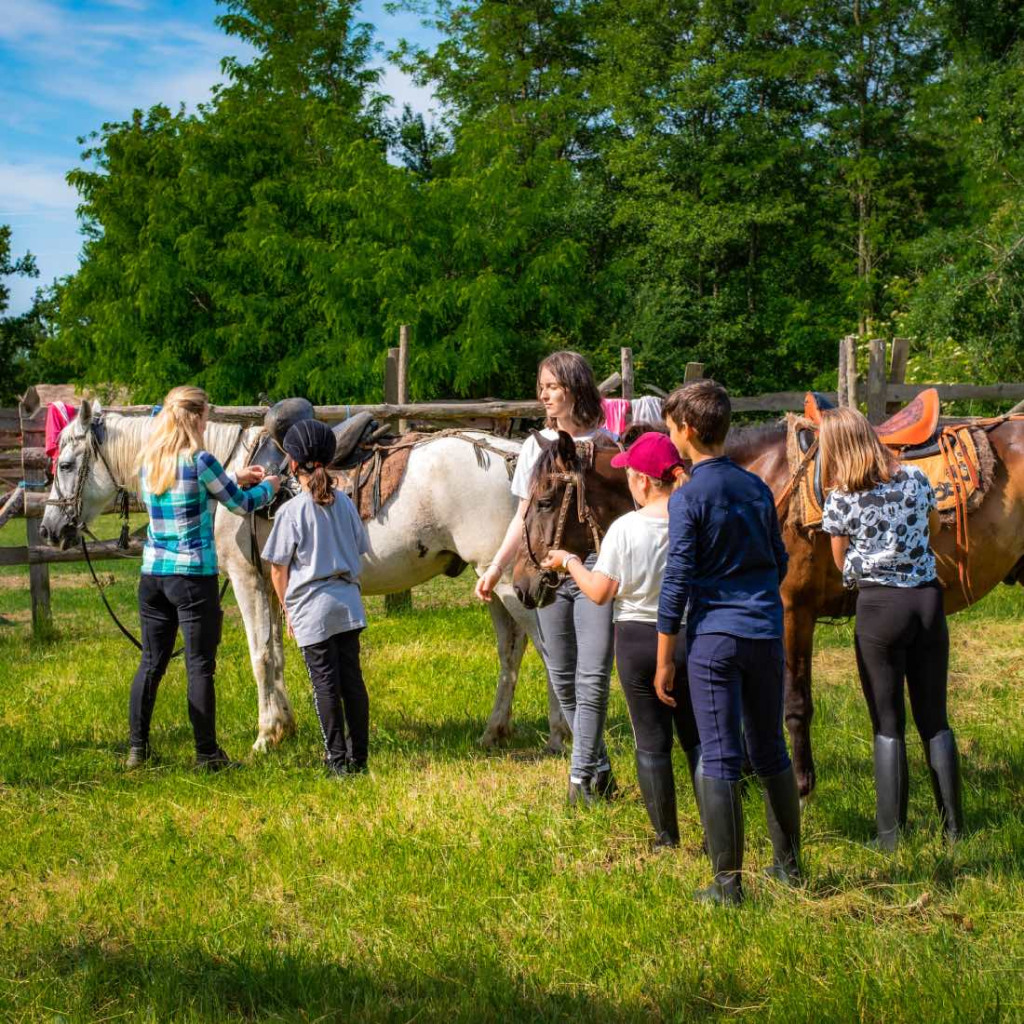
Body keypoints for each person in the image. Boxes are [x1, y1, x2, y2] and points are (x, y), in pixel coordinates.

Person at [655, 379, 800, 905]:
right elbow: (779, 559)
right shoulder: (757, 488)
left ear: (688, 430)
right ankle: (789, 868)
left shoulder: (688, 495)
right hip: (764, 633)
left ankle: (727, 885)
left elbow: (677, 581)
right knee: (771, 748)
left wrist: (664, 657)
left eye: (671, 428)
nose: (670, 438)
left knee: (719, 755)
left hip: (715, 638)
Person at [542, 432, 702, 847]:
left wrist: (571, 561)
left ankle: (666, 837)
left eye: (629, 474)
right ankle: (714, 830)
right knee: (696, 739)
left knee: (651, 742)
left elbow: (598, 592)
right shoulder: (694, 521)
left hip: (637, 640)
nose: (627, 480)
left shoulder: (625, 529)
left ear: (644, 482)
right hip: (689, 636)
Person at [475, 350, 616, 806]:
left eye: (552, 387)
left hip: (596, 567)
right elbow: (524, 514)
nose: (544, 396)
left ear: (575, 389)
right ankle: (601, 770)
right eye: (541, 388)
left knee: (592, 677)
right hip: (550, 572)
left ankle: (580, 781)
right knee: (562, 675)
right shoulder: (535, 447)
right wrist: (496, 567)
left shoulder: (608, 443)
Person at [819, 407, 962, 850]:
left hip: (879, 608)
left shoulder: (841, 497)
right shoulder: (917, 479)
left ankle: (890, 836)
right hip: (926, 601)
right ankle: (954, 828)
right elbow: (935, 526)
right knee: (935, 720)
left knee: (887, 722)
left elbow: (840, 560)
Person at [128, 386, 280, 770]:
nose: (208, 422)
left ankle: (136, 749)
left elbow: (197, 491)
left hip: (153, 576)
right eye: (206, 415)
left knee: (151, 662)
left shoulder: (150, 461)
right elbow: (242, 504)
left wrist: (235, 475)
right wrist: (269, 487)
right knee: (199, 666)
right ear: (195, 418)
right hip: (193, 578)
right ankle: (207, 755)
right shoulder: (201, 461)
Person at [262, 420, 371, 776]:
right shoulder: (345, 503)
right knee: (352, 681)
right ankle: (359, 758)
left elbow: (278, 569)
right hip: (348, 604)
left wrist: (288, 610)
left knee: (324, 684)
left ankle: (336, 760)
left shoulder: (290, 512)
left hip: (312, 607)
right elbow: (360, 549)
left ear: (292, 465)